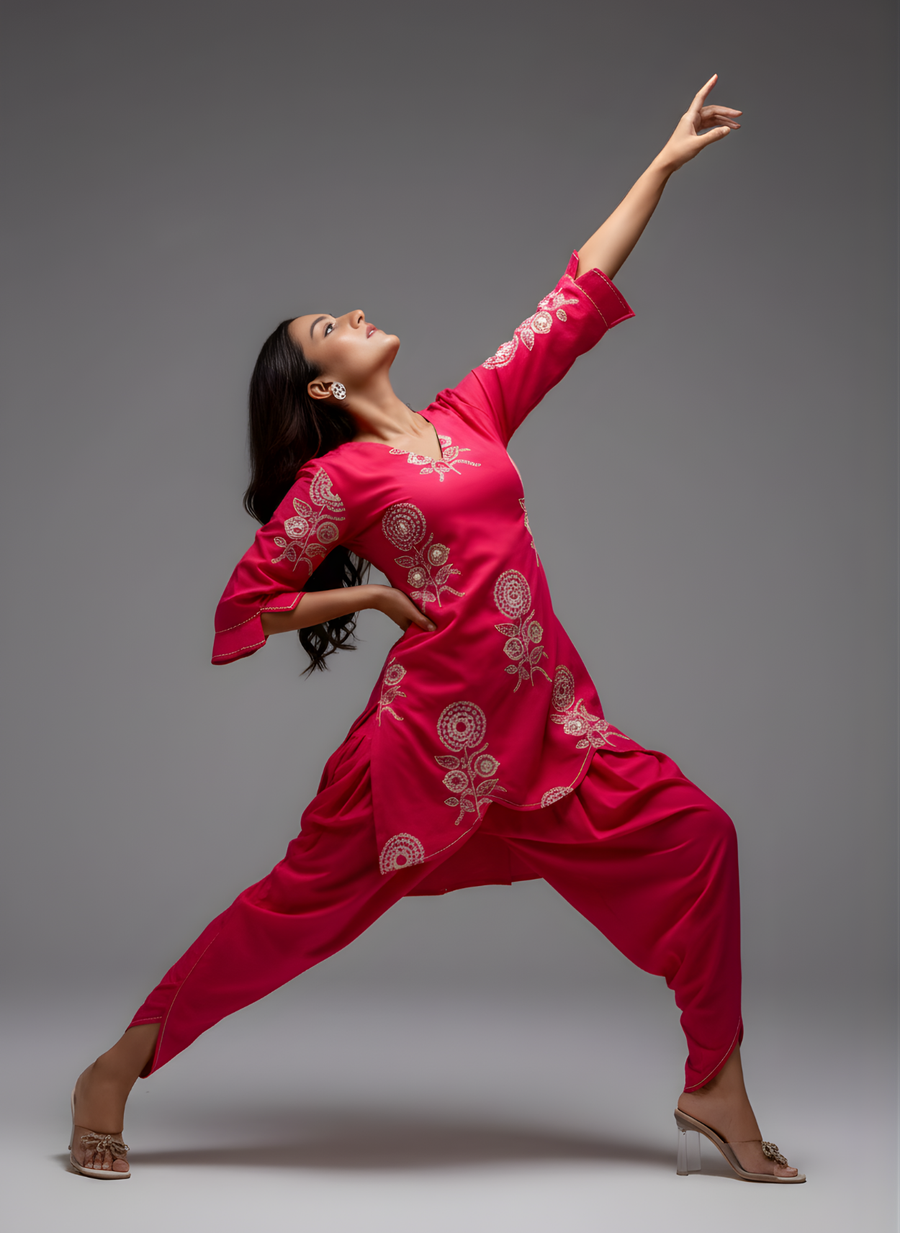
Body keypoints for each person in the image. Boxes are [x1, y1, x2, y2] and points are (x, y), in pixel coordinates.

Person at [68, 75, 804, 1185]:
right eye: (332, 325)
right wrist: (364, 598)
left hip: (547, 728)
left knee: (701, 839)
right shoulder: (340, 476)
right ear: (323, 380)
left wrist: (659, 165)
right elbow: (249, 605)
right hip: (427, 753)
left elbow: (574, 295)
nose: (355, 311)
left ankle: (716, 1082)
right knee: (290, 918)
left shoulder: (471, 416)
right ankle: (113, 1073)